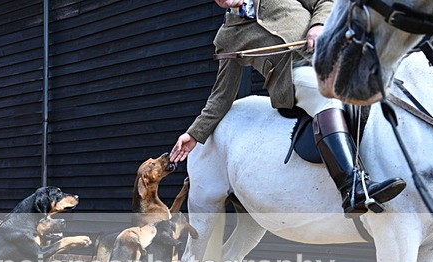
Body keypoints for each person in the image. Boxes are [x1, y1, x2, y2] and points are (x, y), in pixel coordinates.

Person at [170, 0, 405, 217]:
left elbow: (325, 2)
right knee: (327, 95)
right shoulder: (227, 38)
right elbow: (221, 95)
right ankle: (352, 187)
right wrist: (194, 134)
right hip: (293, 77)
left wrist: (319, 25)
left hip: (334, 57)